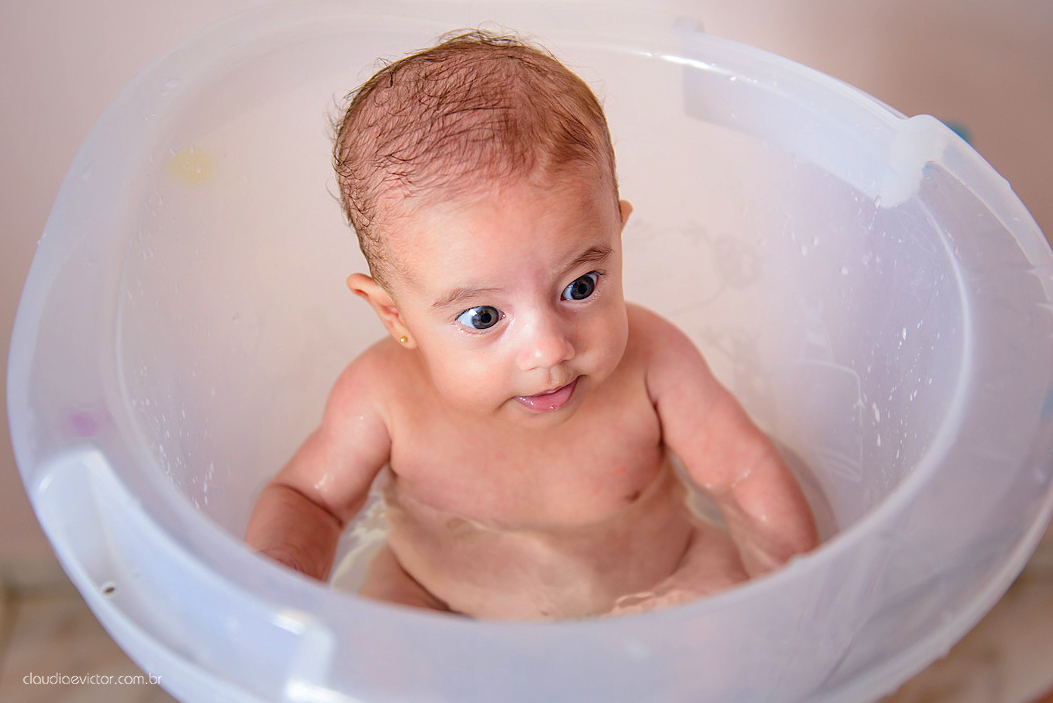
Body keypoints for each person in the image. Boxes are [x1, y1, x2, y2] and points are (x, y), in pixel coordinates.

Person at [244, 30, 818, 620]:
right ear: (395, 315)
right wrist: (277, 587)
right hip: (440, 601)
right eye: (483, 316)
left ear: (616, 240)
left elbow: (743, 471)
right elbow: (309, 500)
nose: (549, 348)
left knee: (723, 614)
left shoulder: (657, 362)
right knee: (385, 655)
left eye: (580, 286)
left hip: (664, 587)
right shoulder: (382, 397)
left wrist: (795, 588)